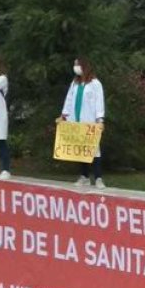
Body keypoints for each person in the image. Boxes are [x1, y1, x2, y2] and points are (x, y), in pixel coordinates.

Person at [61, 57, 107, 189]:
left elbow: (99, 101)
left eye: (77, 64)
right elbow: (69, 99)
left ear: (84, 66)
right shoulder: (75, 83)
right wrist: (64, 114)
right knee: (80, 150)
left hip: (90, 121)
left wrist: (100, 119)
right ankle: (84, 177)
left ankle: (98, 178)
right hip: (76, 120)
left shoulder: (95, 83)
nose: (75, 67)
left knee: (94, 150)